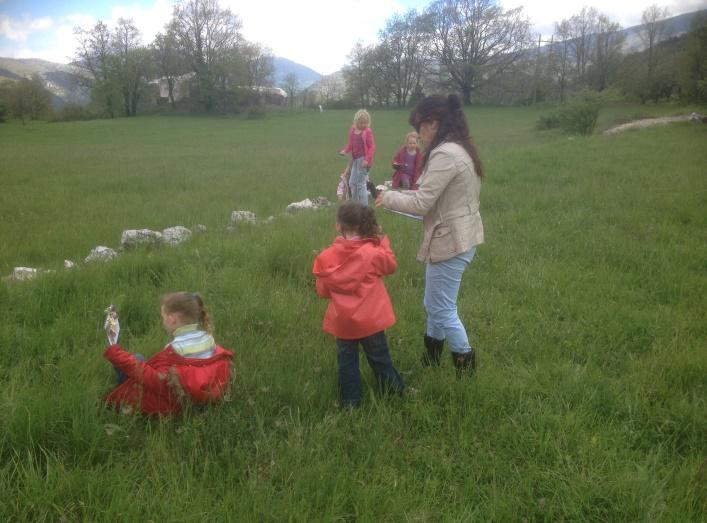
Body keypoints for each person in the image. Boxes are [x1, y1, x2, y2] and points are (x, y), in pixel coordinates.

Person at [376, 94, 484, 376]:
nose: (418, 133)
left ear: (433, 123)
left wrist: (388, 197)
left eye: (419, 126)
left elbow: (422, 204)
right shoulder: (458, 147)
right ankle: (431, 360)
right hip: (457, 237)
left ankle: (465, 367)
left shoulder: (445, 154)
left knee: (442, 308)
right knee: (435, 304)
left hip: (451, 241)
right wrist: (393, 196)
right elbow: (430, 201)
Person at [312, 202, 405, 408]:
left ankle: (350, 403)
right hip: (371, 321)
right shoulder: (374, 253)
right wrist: (382, 242)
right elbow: (391, 266)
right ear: (367, 226)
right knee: (380, 358)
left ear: (339, 226)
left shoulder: (327, 256)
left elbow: (323, 291)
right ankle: (395, 392)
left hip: (343, 323)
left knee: (347, 363)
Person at [103, 292, 234, 415]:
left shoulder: (173, 349)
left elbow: (157, 381)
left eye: (163, 317)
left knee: (138, 358)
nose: (163, 321)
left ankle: (123, 387)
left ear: (171, 319)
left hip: (175, 400)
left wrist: (116, 353)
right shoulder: (209, 338)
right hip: (202, 390)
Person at [339, 109, 376, 206]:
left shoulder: (367, 132)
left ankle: (364, 208)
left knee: (361, 184)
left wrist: (367, 160)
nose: (363, 125)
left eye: (365, 123)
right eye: (361, 123)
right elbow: (350, 144)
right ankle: (355, 205)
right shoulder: (352, 130)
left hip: (363, 160)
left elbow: (372, 147)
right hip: (355, 160)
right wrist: (345, 151)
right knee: (352, 183)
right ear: (356, 121)